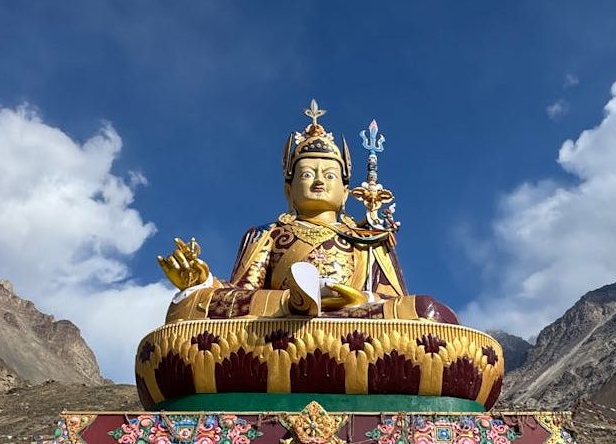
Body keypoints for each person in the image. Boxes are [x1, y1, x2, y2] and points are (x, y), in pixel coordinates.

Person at [158, 102, 458, 325]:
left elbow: (390, 302)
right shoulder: (268, 234)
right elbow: (238, 295)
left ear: (344, 193)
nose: (318, 181)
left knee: (429, 314)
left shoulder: (367, 239)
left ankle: (313, 305)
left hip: (352, 322)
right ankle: (300, 303)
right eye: (306, 174)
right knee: (189, 306)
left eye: (329, 175)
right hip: (278, 325)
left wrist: (357, 300)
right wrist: (201, 281)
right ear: (289, 192)